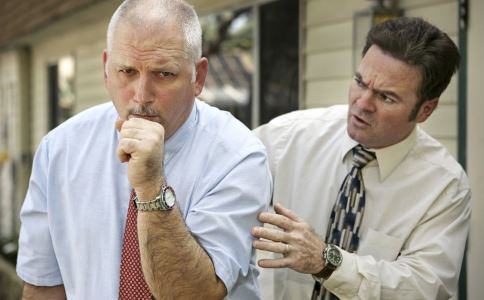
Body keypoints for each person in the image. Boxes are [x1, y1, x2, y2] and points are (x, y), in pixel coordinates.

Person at [16, 0, 272, 299]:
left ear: (198, 77)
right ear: (106, 68)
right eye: (127, 71)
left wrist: (151, 187)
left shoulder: (238, 156)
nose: (141, 96)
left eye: (163, 74)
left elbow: (193, 294)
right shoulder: (60, 149)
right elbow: (43, 286)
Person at [251, 17, 471, 300]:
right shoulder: (287, 137)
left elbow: (422, 288)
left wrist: (326, 261)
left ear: (425, 110)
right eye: (359, 82)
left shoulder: (444, 186)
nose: (362, 104)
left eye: (386, 97)